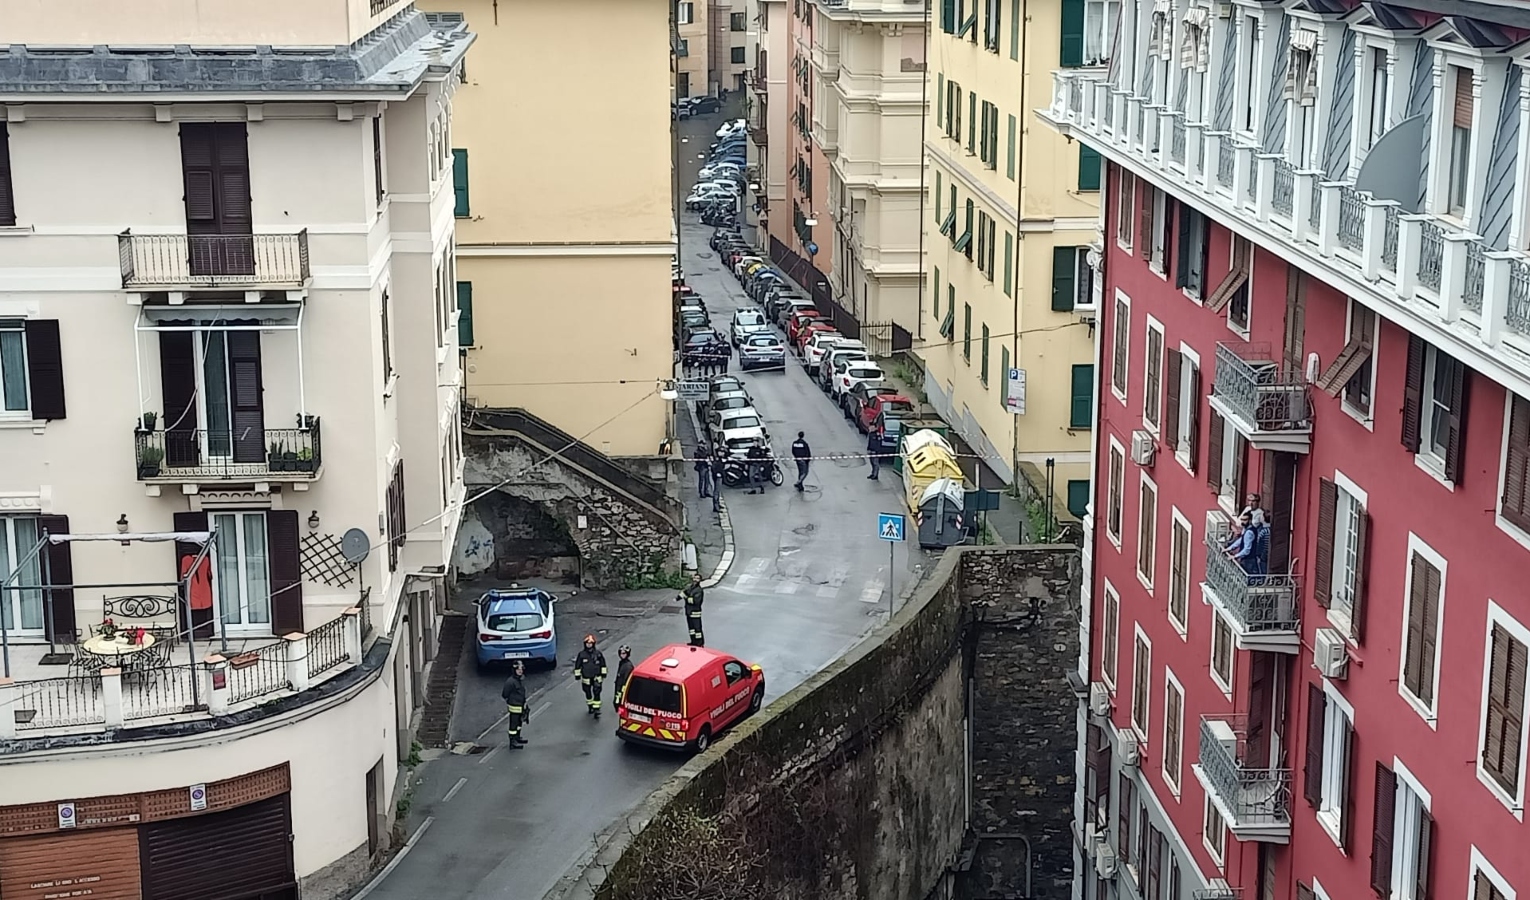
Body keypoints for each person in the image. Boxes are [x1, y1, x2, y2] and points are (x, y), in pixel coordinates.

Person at [573, 635, 608, 718]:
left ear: (593, 644)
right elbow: (577, 665)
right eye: (587, 643)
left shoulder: (598, 654)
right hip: (586, 678)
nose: (589, 645)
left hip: (597, 677)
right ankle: (590, 706)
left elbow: (603, 664)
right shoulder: (581, 655)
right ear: (585, 644)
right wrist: (577, 675)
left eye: (591, 643)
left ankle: (597, 709)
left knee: (597, 692)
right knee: (588, 693)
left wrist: (603, 673)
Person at [501, 660, 529, 748]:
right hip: (514, 707)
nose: (520, 671)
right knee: (513, 725)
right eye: (518, 669)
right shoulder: (510, 682)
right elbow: (505, 694)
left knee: (519, 724)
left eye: (521, 669)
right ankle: (512, 742)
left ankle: (517, 737)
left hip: (521, 706)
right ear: (514, 670)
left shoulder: (520, 679)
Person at [680, 574, 706, 646]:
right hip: (689, 612)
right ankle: (693, 641)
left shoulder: (699, 590)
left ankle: (700, 643)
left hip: (695, 612)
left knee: (697, 629)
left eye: (697, 578)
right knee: (691, 629)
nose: (695, 579)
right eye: (694, 578)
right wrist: (677, 598)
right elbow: (684, 593)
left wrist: (686, 598)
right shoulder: (690, 588)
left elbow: (694, 601)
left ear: (700, 580)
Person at [613, 645, 635, 711]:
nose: (622, 655)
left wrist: (621, 692)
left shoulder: (628, 666)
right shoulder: (622, 663)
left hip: (621, 690)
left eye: (624, 653)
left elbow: (626, 680)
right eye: (621, 653)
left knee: (620, 706)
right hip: (619, 688)